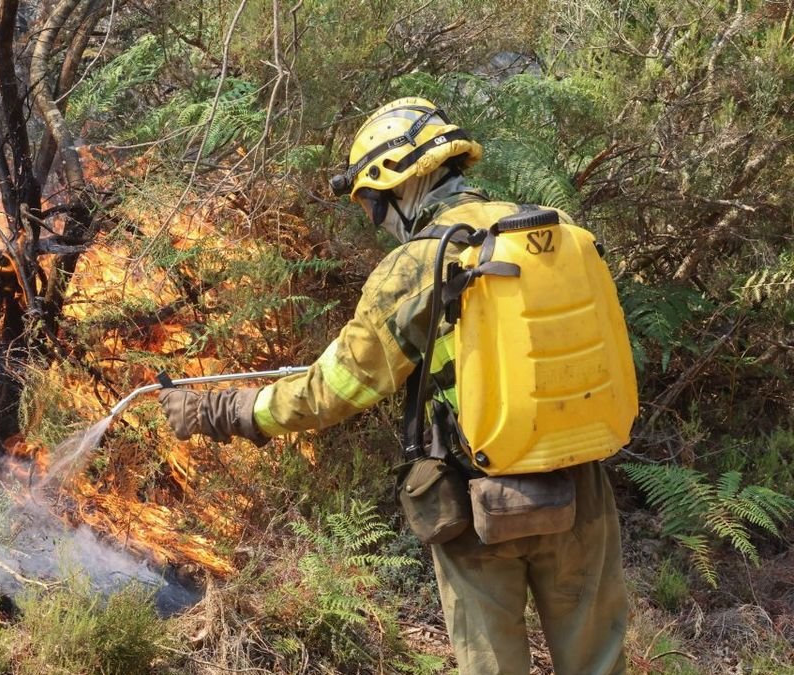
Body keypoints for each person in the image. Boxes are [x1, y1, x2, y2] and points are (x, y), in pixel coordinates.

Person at [159, 97, 630, 675]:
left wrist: (224, 411)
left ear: (398, 183)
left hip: (478, 499)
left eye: (371, 203)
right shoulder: (554, 231)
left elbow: (335, 388)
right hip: (581, 483)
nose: (374, 219)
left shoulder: (419, 263)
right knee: (598, 663)